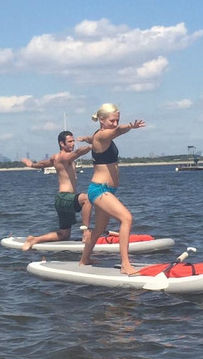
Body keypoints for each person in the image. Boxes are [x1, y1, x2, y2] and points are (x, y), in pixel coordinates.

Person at [78, 104, 146, 274]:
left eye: (117, 120)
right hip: (100, 190)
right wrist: (130, 126)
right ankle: (125, 264)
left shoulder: (98, 136)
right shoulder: (103, 135)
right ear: (101, 120)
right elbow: (117, 131)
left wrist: (85, 138)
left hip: (106, 190)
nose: (115, 123)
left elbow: (93, 138)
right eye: (112, 120)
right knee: (126, 218)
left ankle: (84, 259)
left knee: (99, 228)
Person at [19, 131, 94, 250]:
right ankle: (86, 233)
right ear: (62, 144)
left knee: (64, 235)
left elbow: (44, 163)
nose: (73, 143)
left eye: (73, 141)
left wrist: (32, 165)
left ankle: (34, 239)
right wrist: (95, 144)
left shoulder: (55, 157)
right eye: (70, 141)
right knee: (87, 199)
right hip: (65, 197)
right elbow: (79, 152)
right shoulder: (65, 157)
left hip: (61, 200)